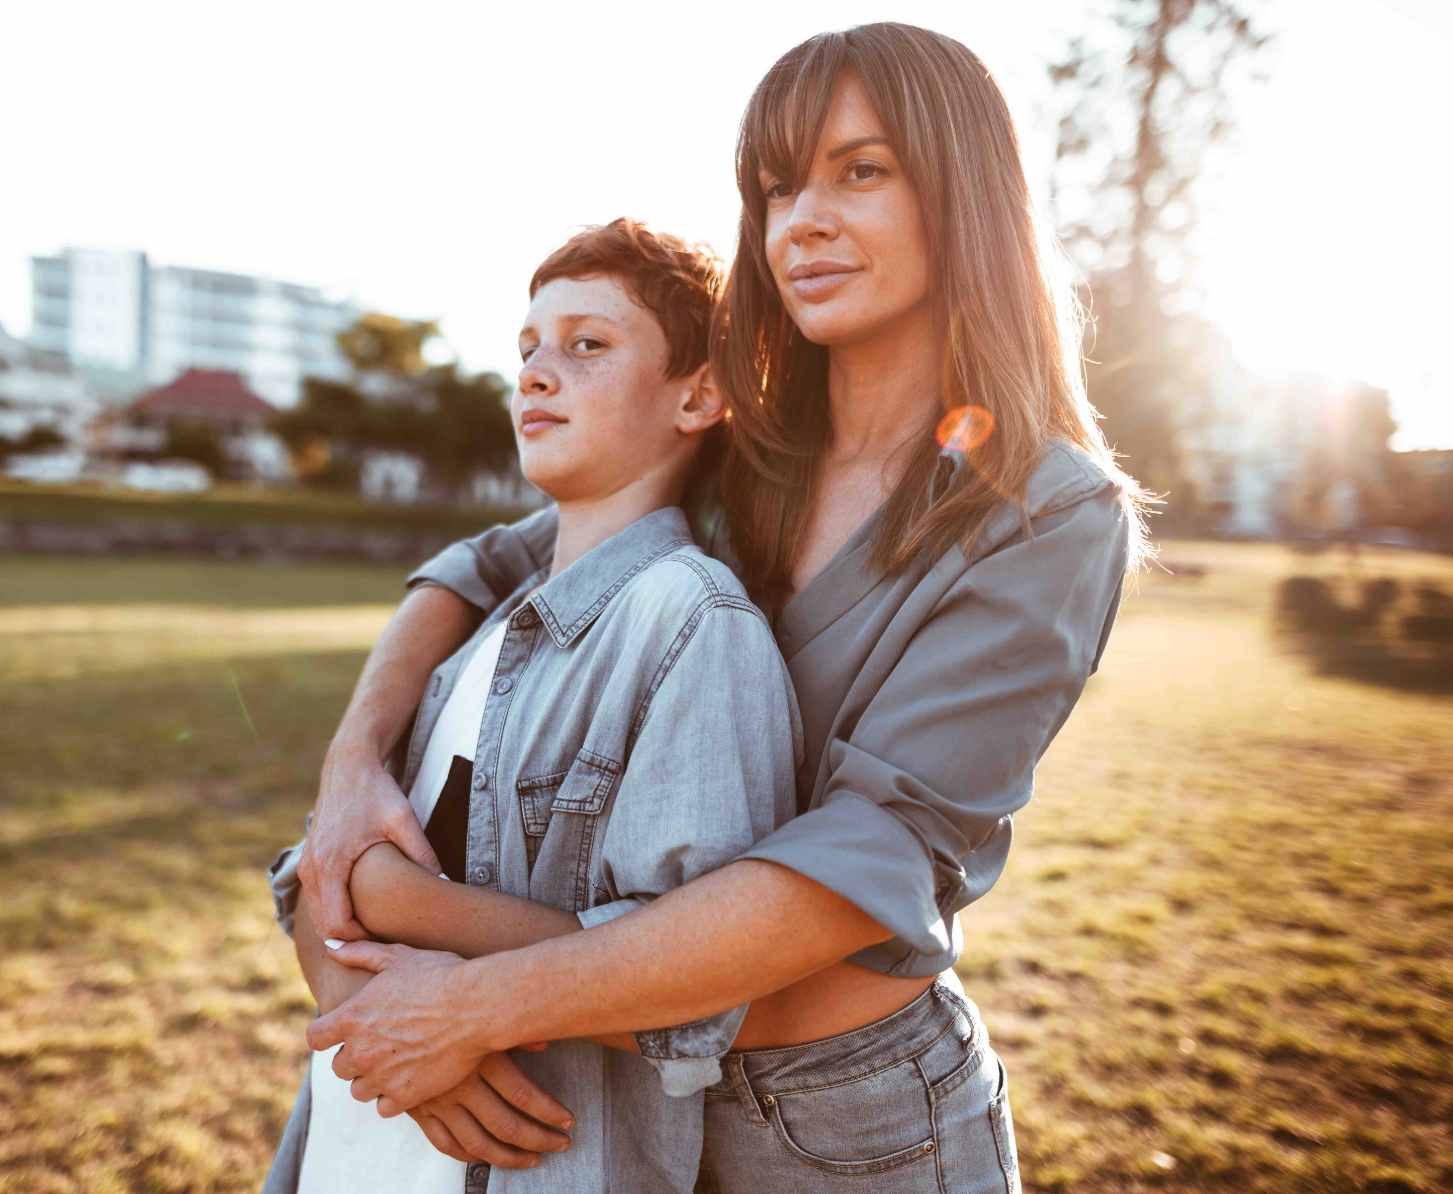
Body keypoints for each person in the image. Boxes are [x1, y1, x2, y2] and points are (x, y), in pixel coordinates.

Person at [291, 23, 1150, 1194]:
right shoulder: (738, 458)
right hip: (606, 1087)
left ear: (963, 192)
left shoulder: (1046, 513)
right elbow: (481, 570)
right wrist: (349, 777)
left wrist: (462, 998)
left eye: (860, 170)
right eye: (774, 186)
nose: (800, 220)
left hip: (844, 1120)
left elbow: (863, 857)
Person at [263, 219, 803, 1194]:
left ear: (698, 394)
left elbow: (690, 992)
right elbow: (314, 875)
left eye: (585, 345)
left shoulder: (691, 626)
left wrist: (410, 924)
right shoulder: (490, 623)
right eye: (527, 350)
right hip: (351, 1154)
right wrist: (389, 1040)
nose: (535, 374)